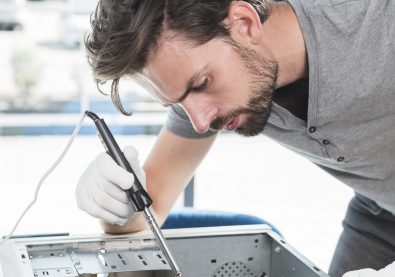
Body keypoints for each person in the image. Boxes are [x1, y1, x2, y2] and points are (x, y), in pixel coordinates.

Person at [75, 0, 395, 276]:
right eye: (178, 102)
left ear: (244, 22)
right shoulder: (205, 104)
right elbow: (148, 216)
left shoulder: (377, 19)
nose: (201, 123)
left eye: (200, 83)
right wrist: (117, 208)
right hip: (380, 212)